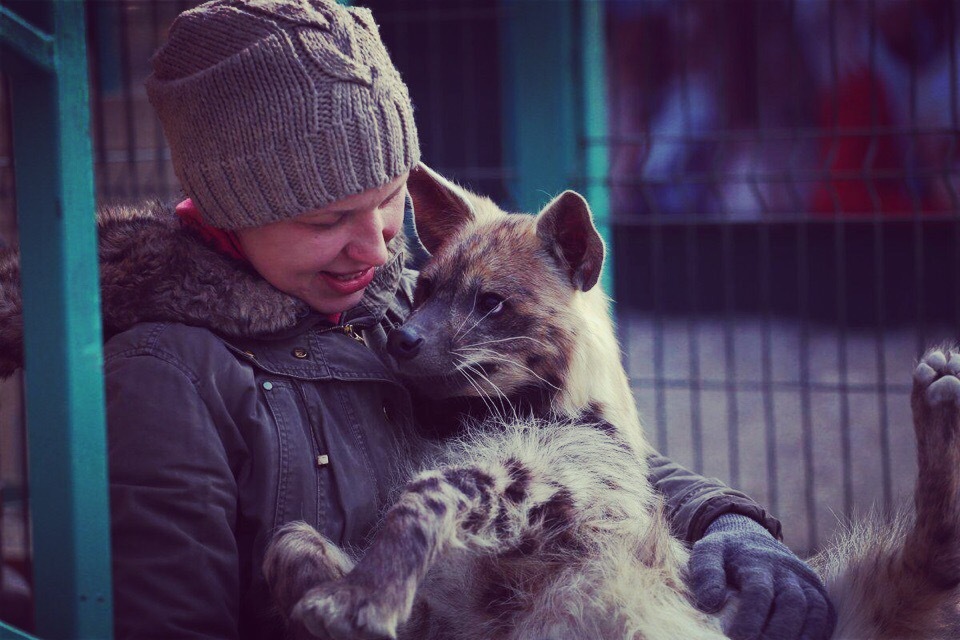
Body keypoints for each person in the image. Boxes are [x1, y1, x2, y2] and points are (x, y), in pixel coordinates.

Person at [3, 0, 833, 638]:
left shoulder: (407, 301)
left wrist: (724, 520)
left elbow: (574, 451)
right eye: (326, 217)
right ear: (233, 208)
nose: (371, 248)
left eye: (388, 202)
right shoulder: (168, 376)